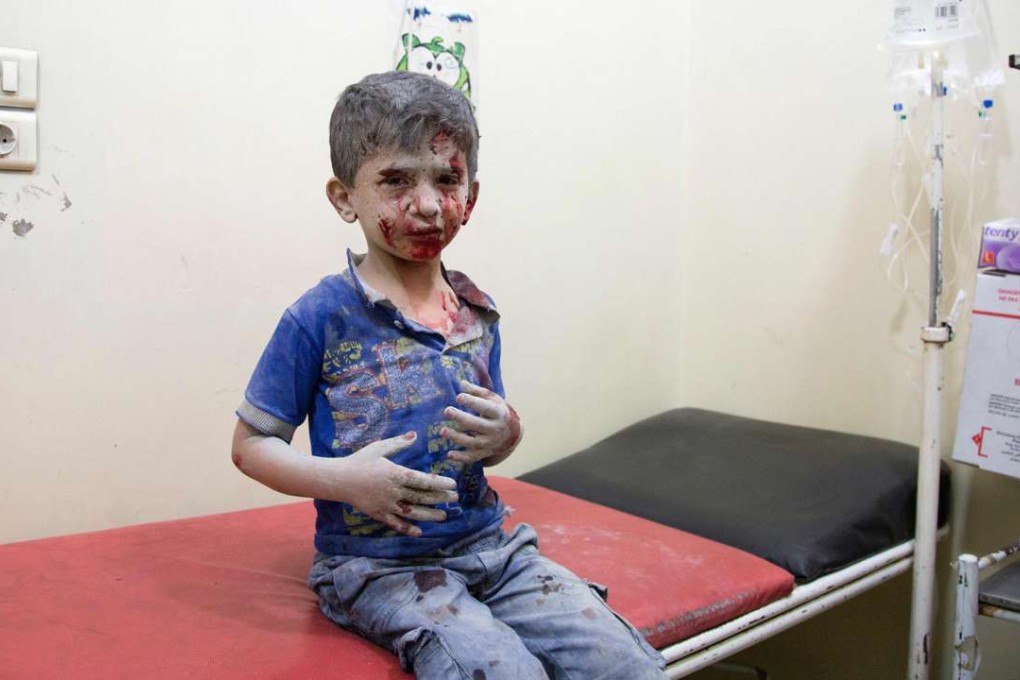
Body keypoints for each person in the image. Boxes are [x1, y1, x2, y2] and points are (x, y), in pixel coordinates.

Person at [231, 70, 666, 679]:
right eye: (396, 180)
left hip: (494, 548)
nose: (429, 204)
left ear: (472, 194)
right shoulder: (320, 318)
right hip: (378, 566)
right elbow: (251, 446)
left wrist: (507, 432)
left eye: (446, 178)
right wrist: (344, 481)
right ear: (344, 197)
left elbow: (487, 439)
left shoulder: (476, 312)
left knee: (625, 663)